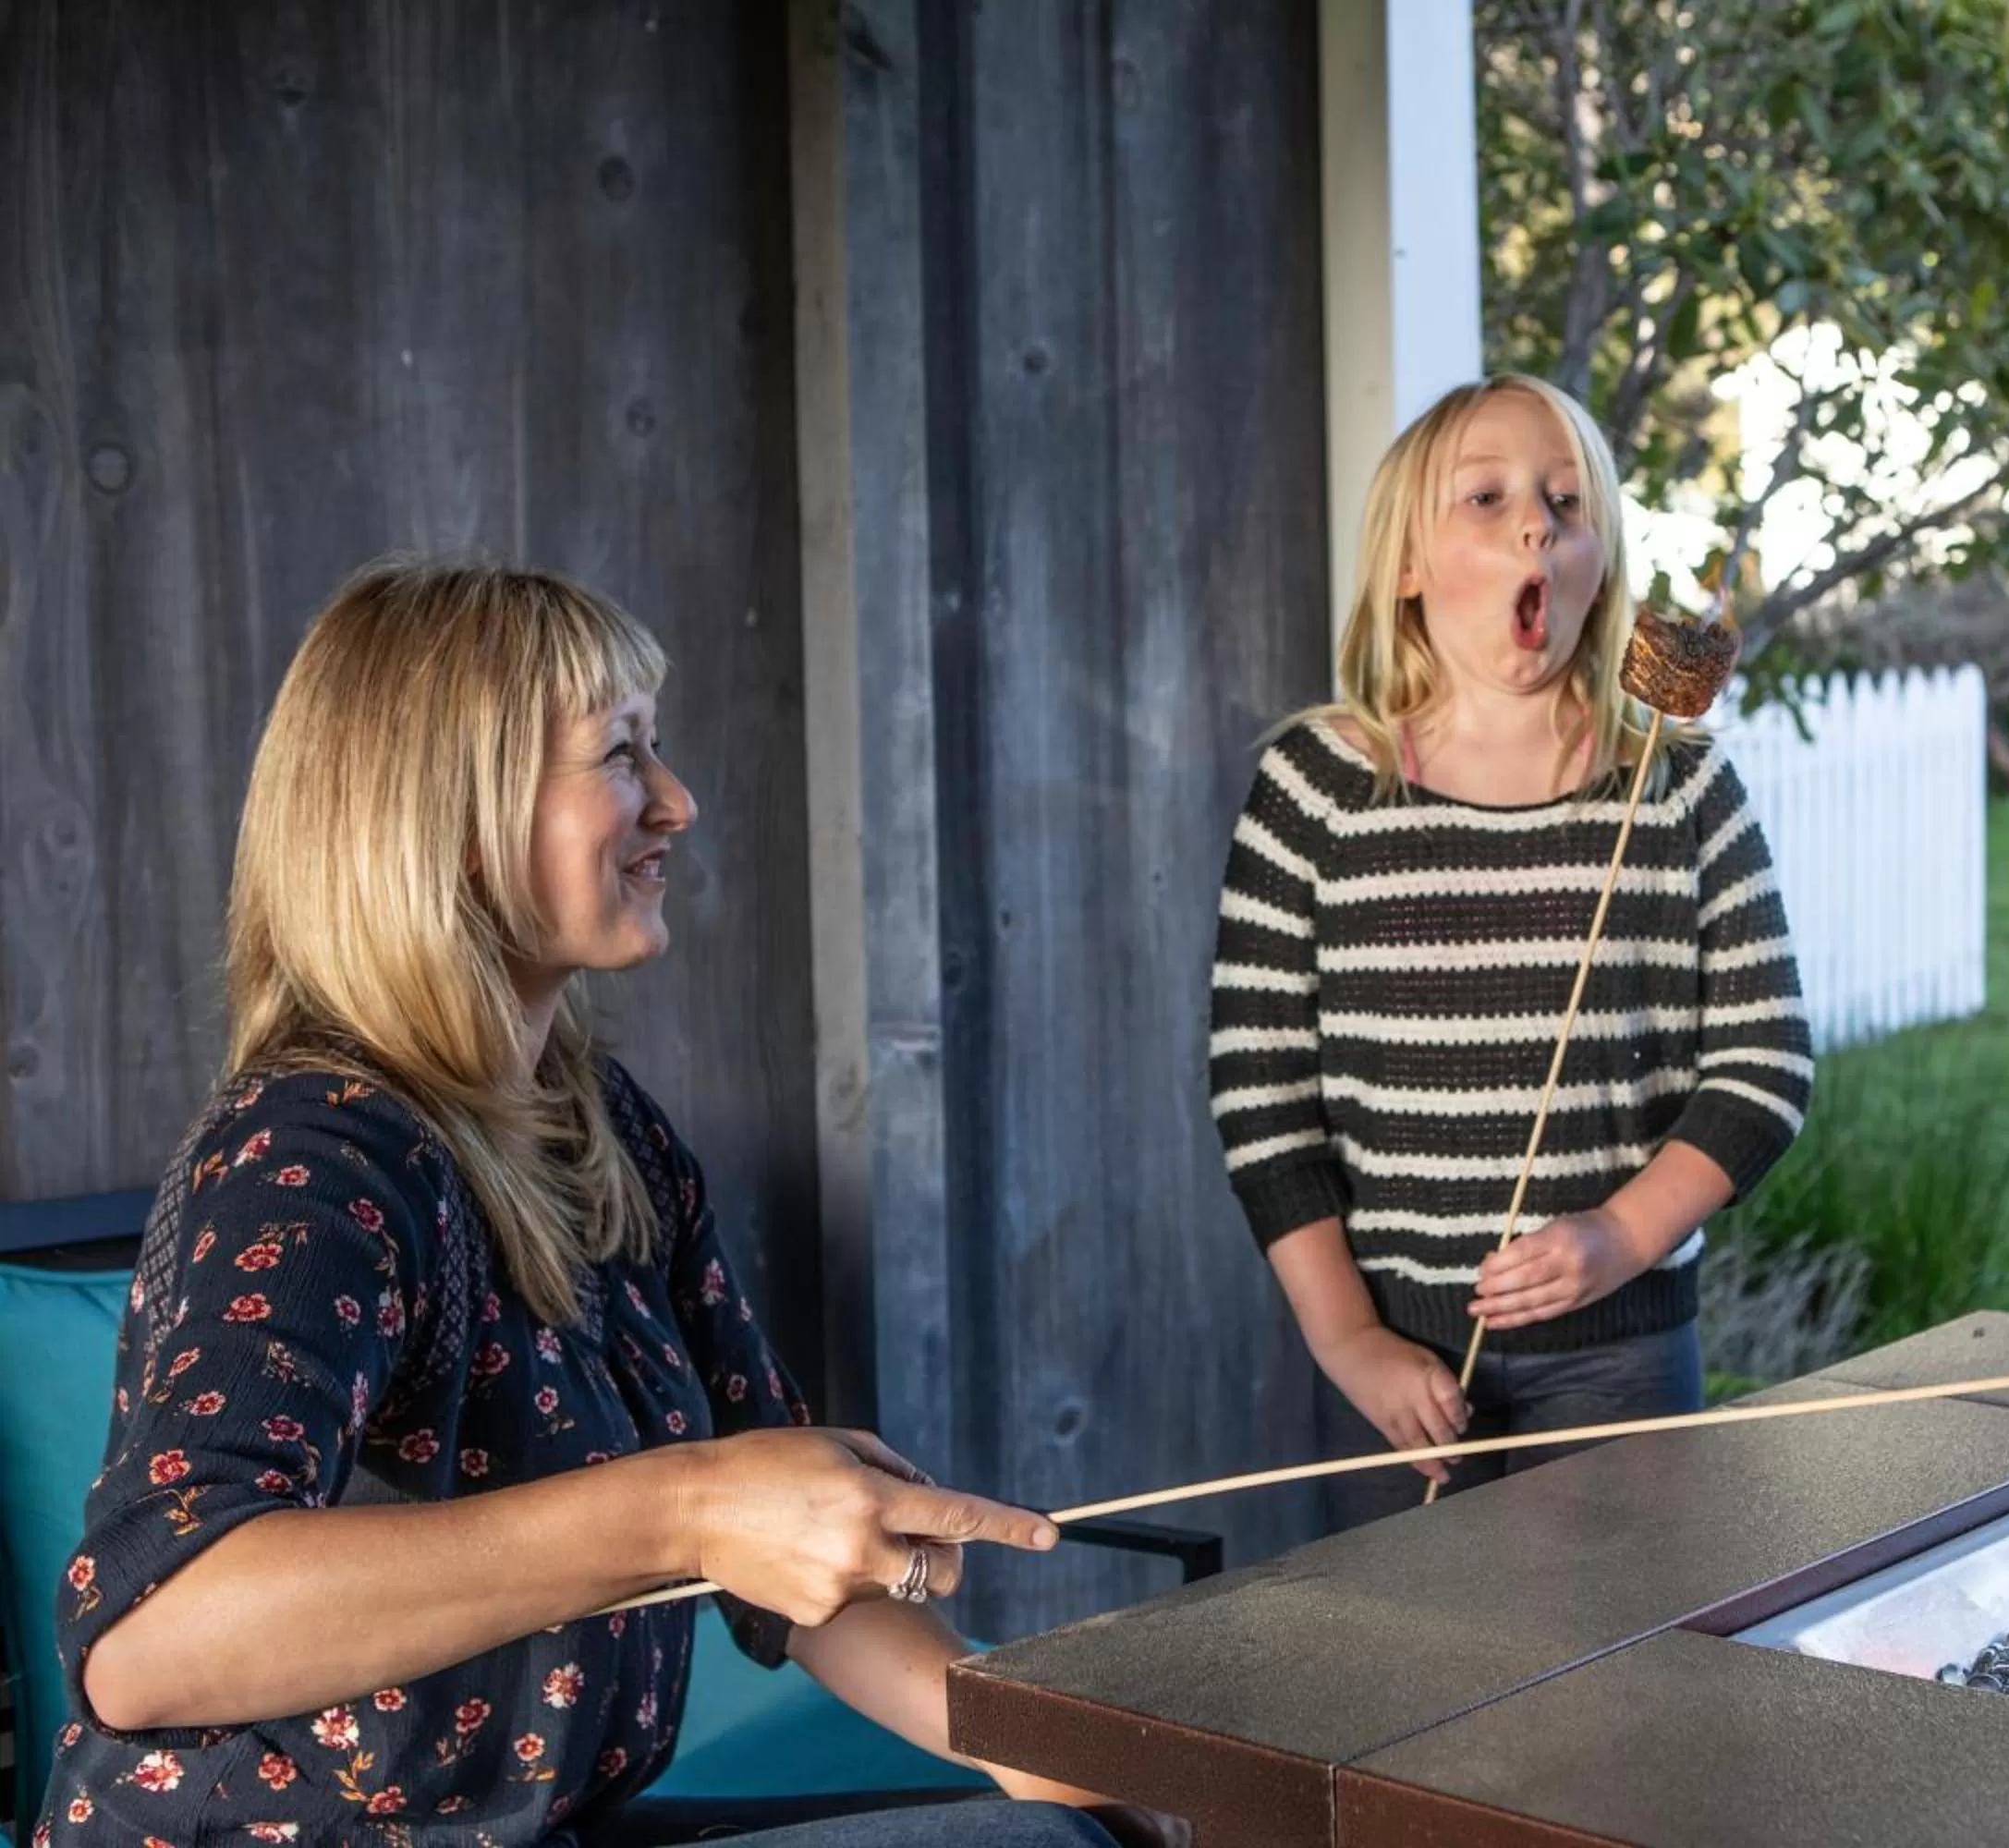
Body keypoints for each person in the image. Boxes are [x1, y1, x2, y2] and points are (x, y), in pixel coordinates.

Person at [41, 560, 1135, 1847]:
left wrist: (1042, 1756)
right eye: (621, 754)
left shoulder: (603, 1128)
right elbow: (152, 1638)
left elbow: (783, 1540)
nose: (676, 802)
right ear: (448, 817)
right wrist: (679, 1509)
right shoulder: (313, 1157)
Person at [1206, 374, 1815, 1532]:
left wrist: (1621, 1235)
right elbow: (1264, 1096)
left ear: (1600, 565)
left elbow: (1765, 1063)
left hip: (1625, 1360)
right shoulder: (1318, 787)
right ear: (1407, 568)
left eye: (1567, 501)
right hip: (1394, 1366)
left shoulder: (1679, 785)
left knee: (1621, 1689)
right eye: (1486, 498)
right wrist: (1349, 1340)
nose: (1537, 520)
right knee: (1410, 1687)